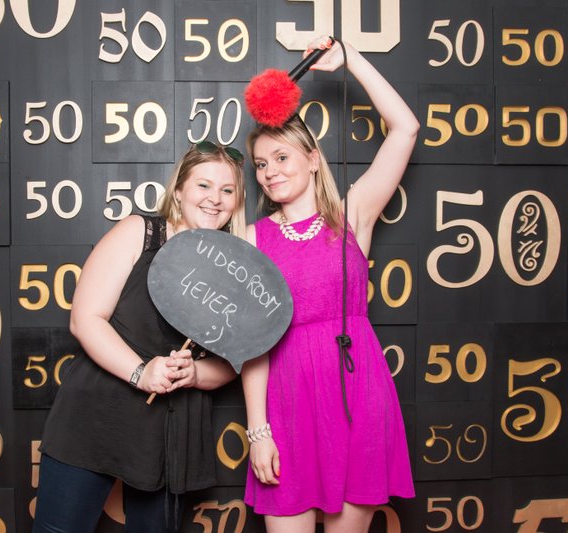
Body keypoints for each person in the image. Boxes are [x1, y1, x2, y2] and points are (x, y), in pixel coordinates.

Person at [241, 37, 419, 532]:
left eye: (281, 158)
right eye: (261, 164)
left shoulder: (352, 215)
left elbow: (405, 129)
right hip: (287, 401)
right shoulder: (253, 238)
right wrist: (258, 431)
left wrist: (351, 59)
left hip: (358, 392)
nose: (270, 173)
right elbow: (252, 345)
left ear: (313, 158)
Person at [33, 141, 246, 533]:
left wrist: (195, 375)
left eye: (227, 190)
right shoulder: (140, 233)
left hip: (170, 433)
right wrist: (140, 372)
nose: (215, 199)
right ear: (178, 190)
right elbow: (85, 319)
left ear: (237, 200)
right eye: (203, 185)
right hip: (98, 413)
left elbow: (234, 363)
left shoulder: (236, 270)